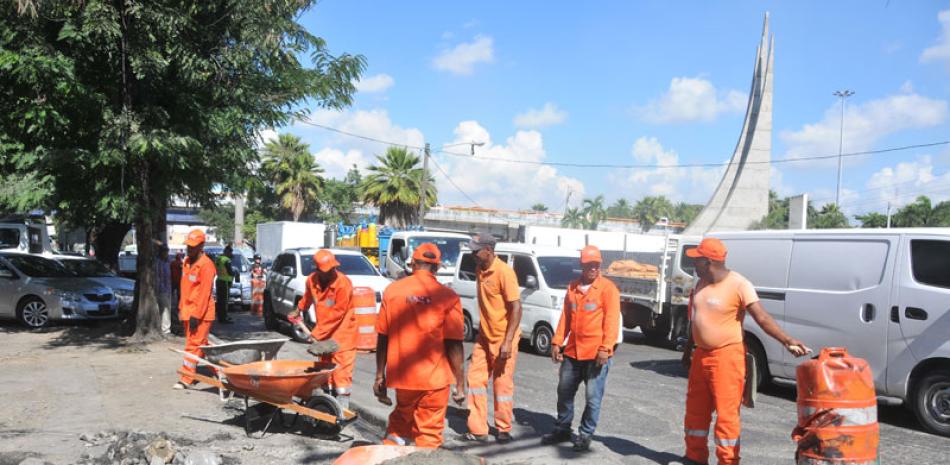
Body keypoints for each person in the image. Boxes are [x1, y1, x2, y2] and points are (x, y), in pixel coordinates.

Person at [680, 238, 811, 465]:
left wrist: (787, 340)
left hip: (726, 357)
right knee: (695, 411)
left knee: (726, 416)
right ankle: (694, 458)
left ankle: (728, 461)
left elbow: (762, 318)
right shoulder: (700, 283)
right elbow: (695, 320)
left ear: (708, 261)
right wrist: (688, 351)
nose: (693, 263)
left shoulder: (739, 284)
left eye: (696, 259)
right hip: (700, 356)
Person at [374, 243, 467, 448]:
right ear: (437, 268)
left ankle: (390, 455)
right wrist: (460, 384)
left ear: (413, 264)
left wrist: (380, 375)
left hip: (403, 378)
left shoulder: (392, 291)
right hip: (434, 380)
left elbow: (383, 337)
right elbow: (454, 344)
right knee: (429, 434)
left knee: (399, 425)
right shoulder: (448, 297)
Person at [543, 245, 620, 452]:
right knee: (564, 392)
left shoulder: (608, 289)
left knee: (593, 398)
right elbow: (565, 318)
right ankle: (562, 429)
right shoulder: (573, 287)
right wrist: (557, 342)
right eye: (589, 265)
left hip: (596, 355)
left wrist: (606, 348)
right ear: (582, 265)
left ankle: (585, 435)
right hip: (573, 352)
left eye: (596, 265)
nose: (593, 268)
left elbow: (612, 322)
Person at [463, 231, 522, 444]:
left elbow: (516, 307)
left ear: (488, 250)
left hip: (503, 338)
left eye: (476, 251)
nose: (473, 255)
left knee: (501, 385)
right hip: (484, 338)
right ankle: (478, 430)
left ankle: (503, 428)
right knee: (475, 380)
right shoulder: (480, 269)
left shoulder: (504, 272)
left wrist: (507, 341)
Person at [289, 249, 357, 408]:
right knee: (325, 372)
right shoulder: (312, 280)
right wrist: (298, 310)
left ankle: (341, 410)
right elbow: (307, 298)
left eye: (334, 268)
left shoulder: (343, 283)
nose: (332, 272)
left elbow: (337, 314)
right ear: (318, 270)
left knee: (341, 374)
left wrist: (316, 335)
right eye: (328, 270)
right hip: (325, 335)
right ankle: (326, 407)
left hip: (343, 336)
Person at [174, 229, 217, 389]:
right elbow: (184, 289)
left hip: (201, 314)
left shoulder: (206, 265)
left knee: (192, 346)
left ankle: (186, 378)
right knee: (202, 345)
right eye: (188, 246)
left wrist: (196, 316)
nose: (189, 249)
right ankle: (222, 368)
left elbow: (204, 294)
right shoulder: (186, 262)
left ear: (201, 246)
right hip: (188, 311)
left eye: (193, 246)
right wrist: (181, 309)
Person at [154, 244, 173, 335]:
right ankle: (166, 330)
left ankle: (164, 328)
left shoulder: (167, 262)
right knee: (165, 310)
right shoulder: (158, 262)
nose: (166, 253)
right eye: (164, 251)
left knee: (167, 309)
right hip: (161, 290)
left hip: (168, 289)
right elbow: (157, 277)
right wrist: (161, 288)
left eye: (167, 251)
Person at [215, 244, 235, 324]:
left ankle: (220, 317)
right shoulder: (226, 260)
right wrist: (234, 273)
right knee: (225, 301)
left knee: (219, 300)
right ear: (227, 252)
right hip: (225, 282)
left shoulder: (219, 258)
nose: (231, 254)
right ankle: (224, 318)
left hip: (219, 280)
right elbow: (230, 271)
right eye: (230, 252)